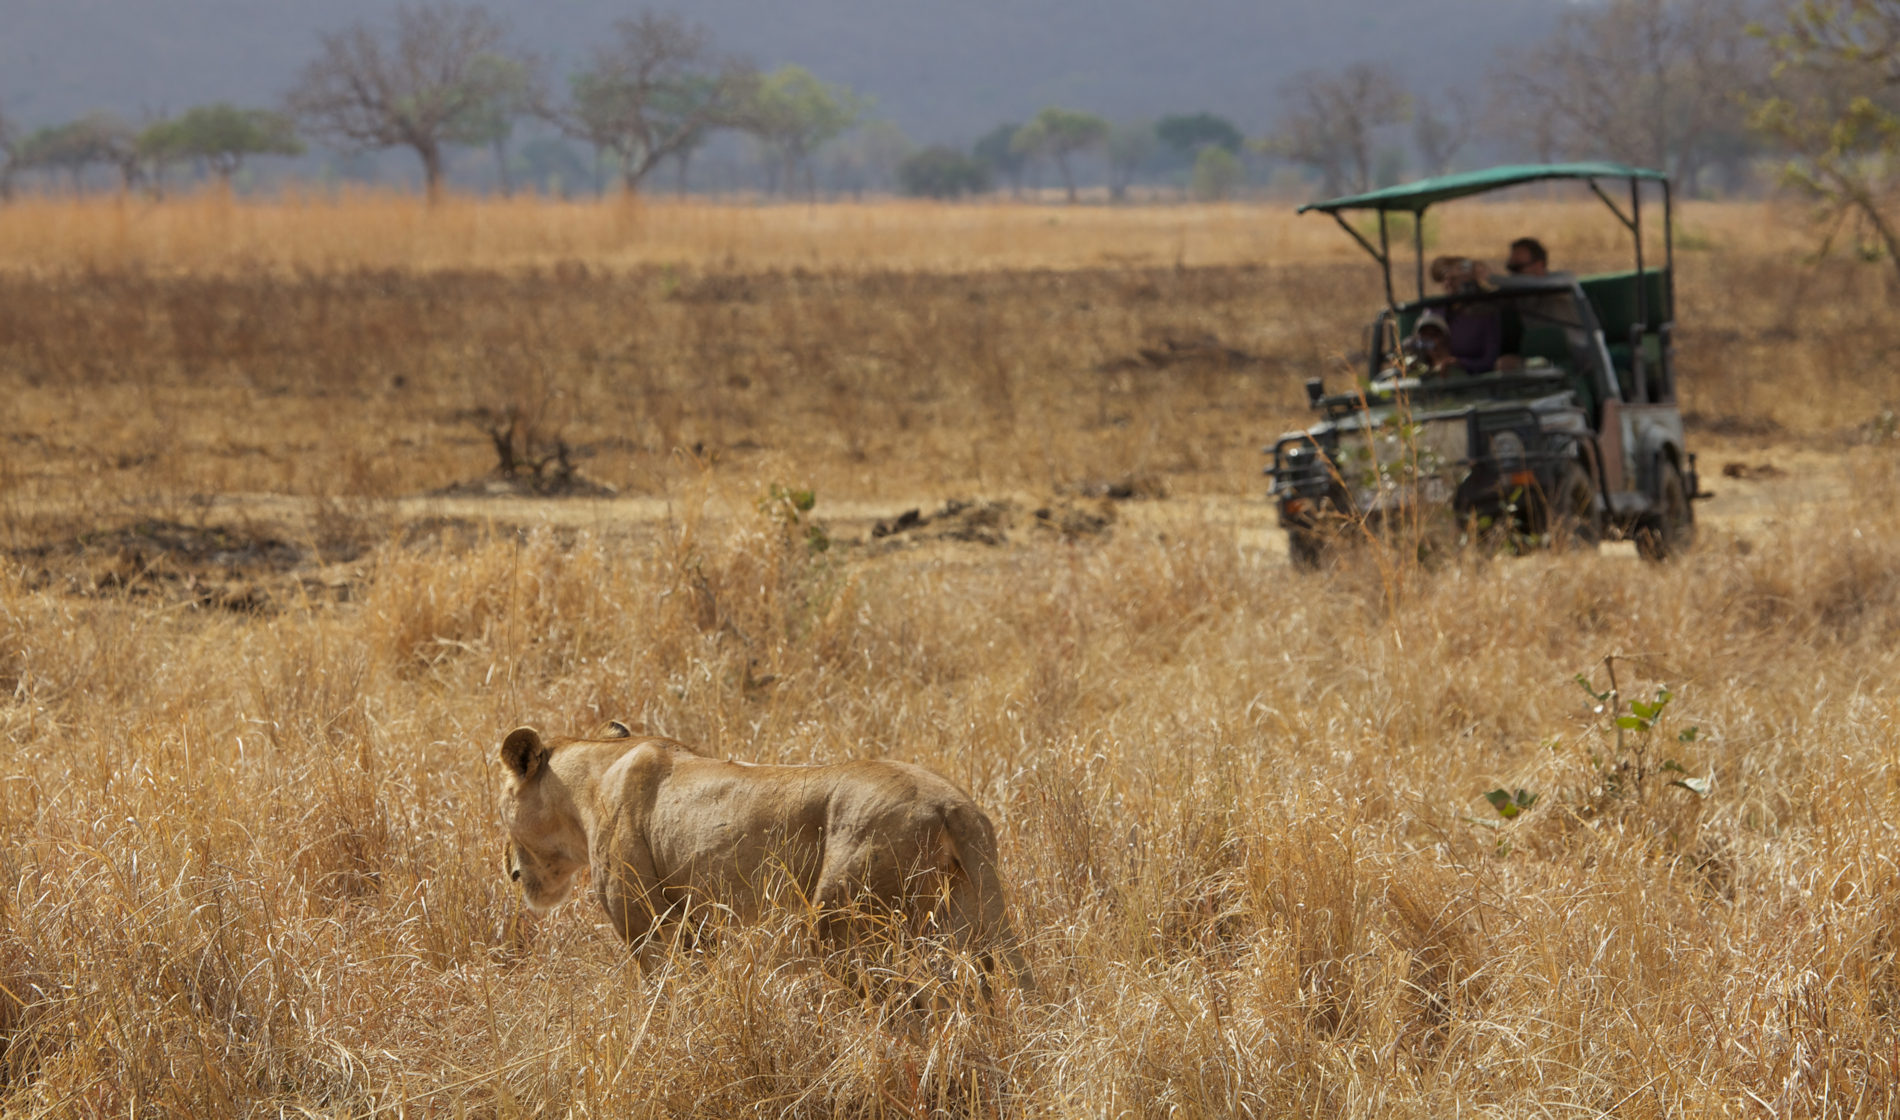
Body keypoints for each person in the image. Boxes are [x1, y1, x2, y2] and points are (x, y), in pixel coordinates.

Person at [1427, 255, 1501, 373]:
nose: (1449, 283)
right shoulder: (1434, 311)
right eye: (1446, 278)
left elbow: (1490, 360)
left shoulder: (1484, 314)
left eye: (1455, 279)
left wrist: (1460, 363)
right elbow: (1420, 343)